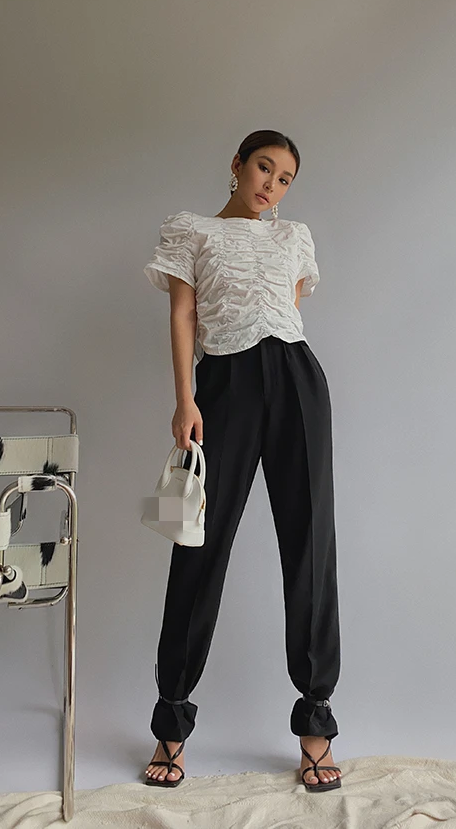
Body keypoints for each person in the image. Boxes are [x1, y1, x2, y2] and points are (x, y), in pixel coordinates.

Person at [142, 130, 342, 792]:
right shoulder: (192, 230)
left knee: (309, 546)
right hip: (225, 386)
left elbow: (286, 306)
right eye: (264, 168)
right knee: (198, 545)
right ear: (236, 164)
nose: (271, 186)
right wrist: (185, 398)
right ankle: (171, 721)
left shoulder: (294, 237)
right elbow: (183, 314)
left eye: (284, 179)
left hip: (298, 382)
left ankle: (316, 724)